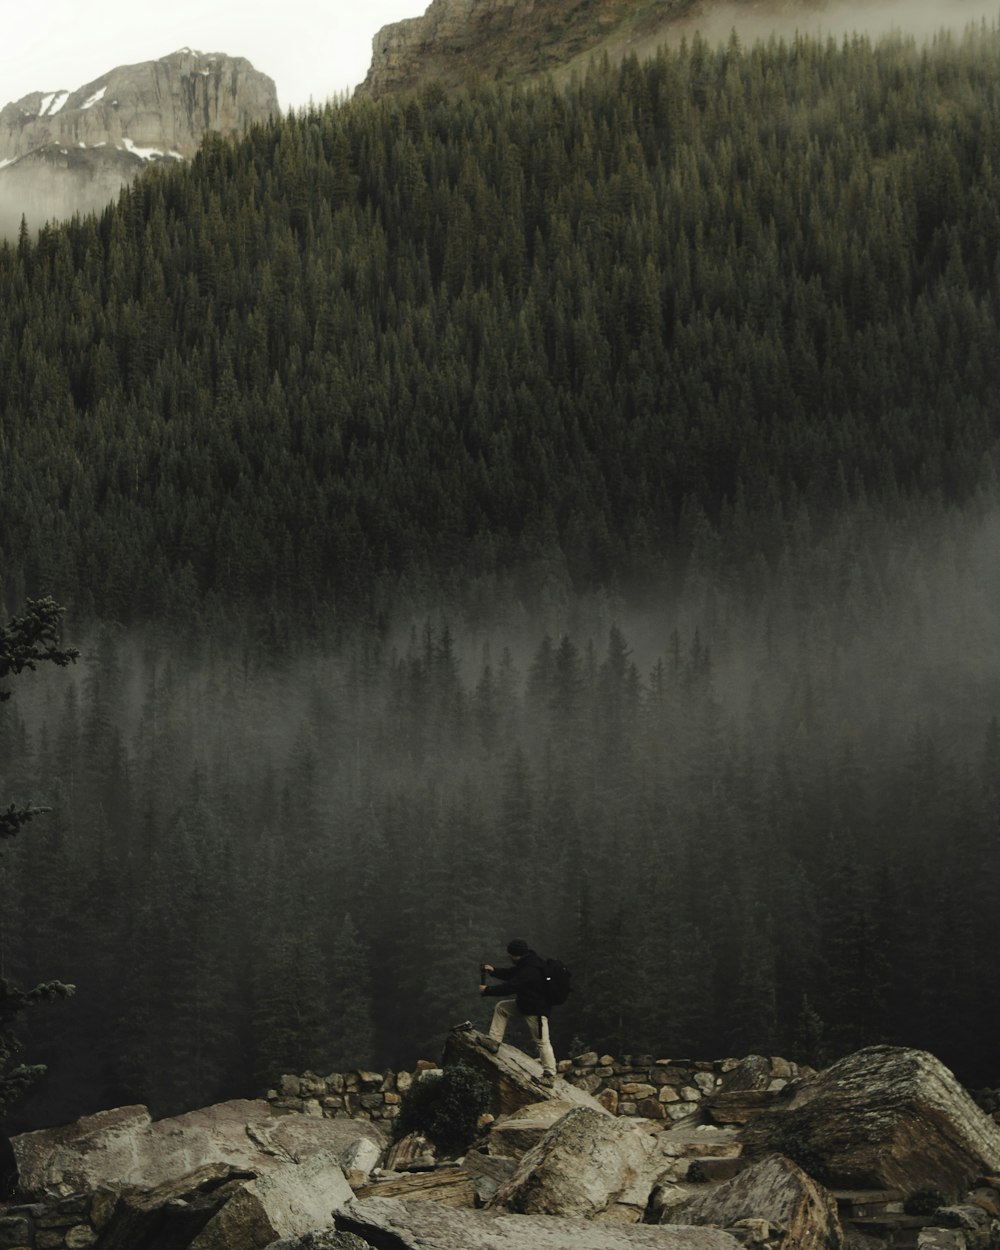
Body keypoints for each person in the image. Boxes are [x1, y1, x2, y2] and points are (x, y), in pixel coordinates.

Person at [480, 938, 556, 1086]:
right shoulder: (527, 962)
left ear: (516, 954)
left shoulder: (530, 970)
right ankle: (494, 1042)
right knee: (502, 1008)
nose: (509, 957)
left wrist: (487, 990)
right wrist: (493, 971)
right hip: (525, 1005)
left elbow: (511, 986)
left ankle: (550, 1075)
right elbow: (511, 974)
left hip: (537, 1012)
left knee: (542, 1042)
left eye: (510, 955)